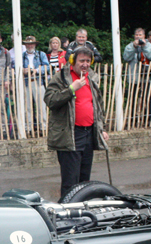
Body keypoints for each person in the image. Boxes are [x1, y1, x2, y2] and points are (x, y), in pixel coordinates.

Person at [44, 46, 109, 200]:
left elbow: (98, 105)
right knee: (70, 181)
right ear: (73, 61)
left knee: (84, 180)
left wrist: (102, 128)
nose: (85, 64)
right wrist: (71, 89)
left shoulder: (91, 79)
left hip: (89, 133)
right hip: (70, 134)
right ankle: (65, 213)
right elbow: (50, 100)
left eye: (88, 61)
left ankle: (82, 211)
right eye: (81, 61)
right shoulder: (61, 78)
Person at [20, 35, 50, 133]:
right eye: (28, 44)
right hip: (26, 82)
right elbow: (16, 68)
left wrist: (36, 70)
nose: (30, 46)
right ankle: (28, 128)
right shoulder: (22, 56)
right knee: (27, 107)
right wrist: (23, 70)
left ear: (35, 44)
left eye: (31, 44)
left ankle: (43, 127)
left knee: (41, 106)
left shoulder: (41, 54)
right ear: (25, 45)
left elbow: (47, 67)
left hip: (38, 82)